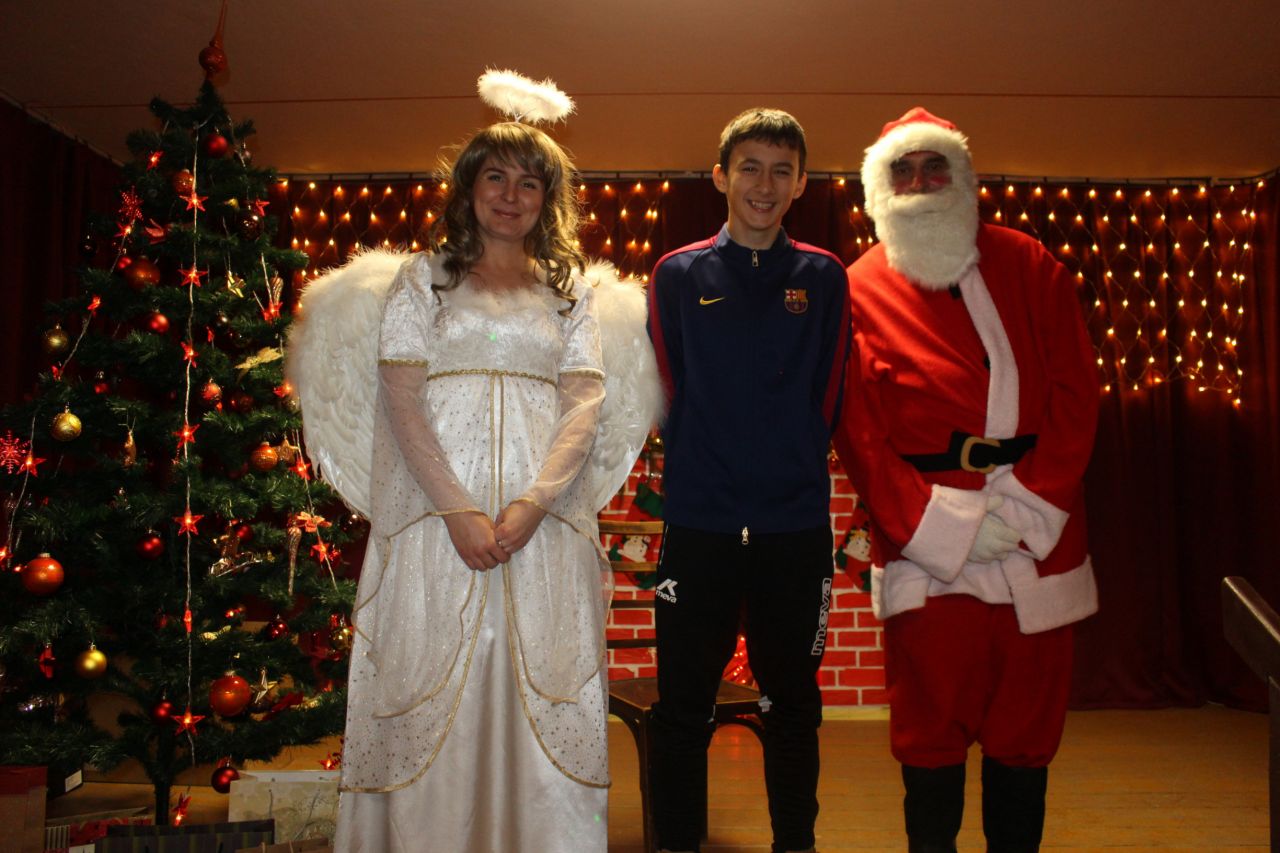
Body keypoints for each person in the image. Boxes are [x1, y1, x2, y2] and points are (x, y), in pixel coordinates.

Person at [316, 118, 657, 852]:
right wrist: (457, 510)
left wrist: (535, 502)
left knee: (536, 681)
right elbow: (401, 400)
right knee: (438, 682)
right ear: (467, 188)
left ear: (548, 200)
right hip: (437, 525)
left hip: (541, 528)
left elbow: (584, 404)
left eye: (529, 183)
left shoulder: (570, 293)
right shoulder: (422, 280)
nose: (510, 195)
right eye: (495, 177)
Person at [834, 107, 1099, 852]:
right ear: (879, 188)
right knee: (929, 736)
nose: (921, 183)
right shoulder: (855, 288)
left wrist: (1027, 506)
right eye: (903, 170)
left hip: (1036, 537)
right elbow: (859, 432)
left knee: (1025, 735)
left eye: (935, 166)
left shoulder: (1030, 262)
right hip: (928, 548)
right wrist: (941, 528)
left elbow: (1078, 394)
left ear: (964, 176)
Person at [646, 108, 851, 853]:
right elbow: (670, 384)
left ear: (800, 183)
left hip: (792, 527)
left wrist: (788, 466)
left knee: (792, 704)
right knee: (683, 707)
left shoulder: (823, 276)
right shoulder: (678, 273)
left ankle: (796, 843)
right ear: (720, 177)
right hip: (699, 523)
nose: (764, 185)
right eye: (750, 168)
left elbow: (830, 391)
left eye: (781, 170)